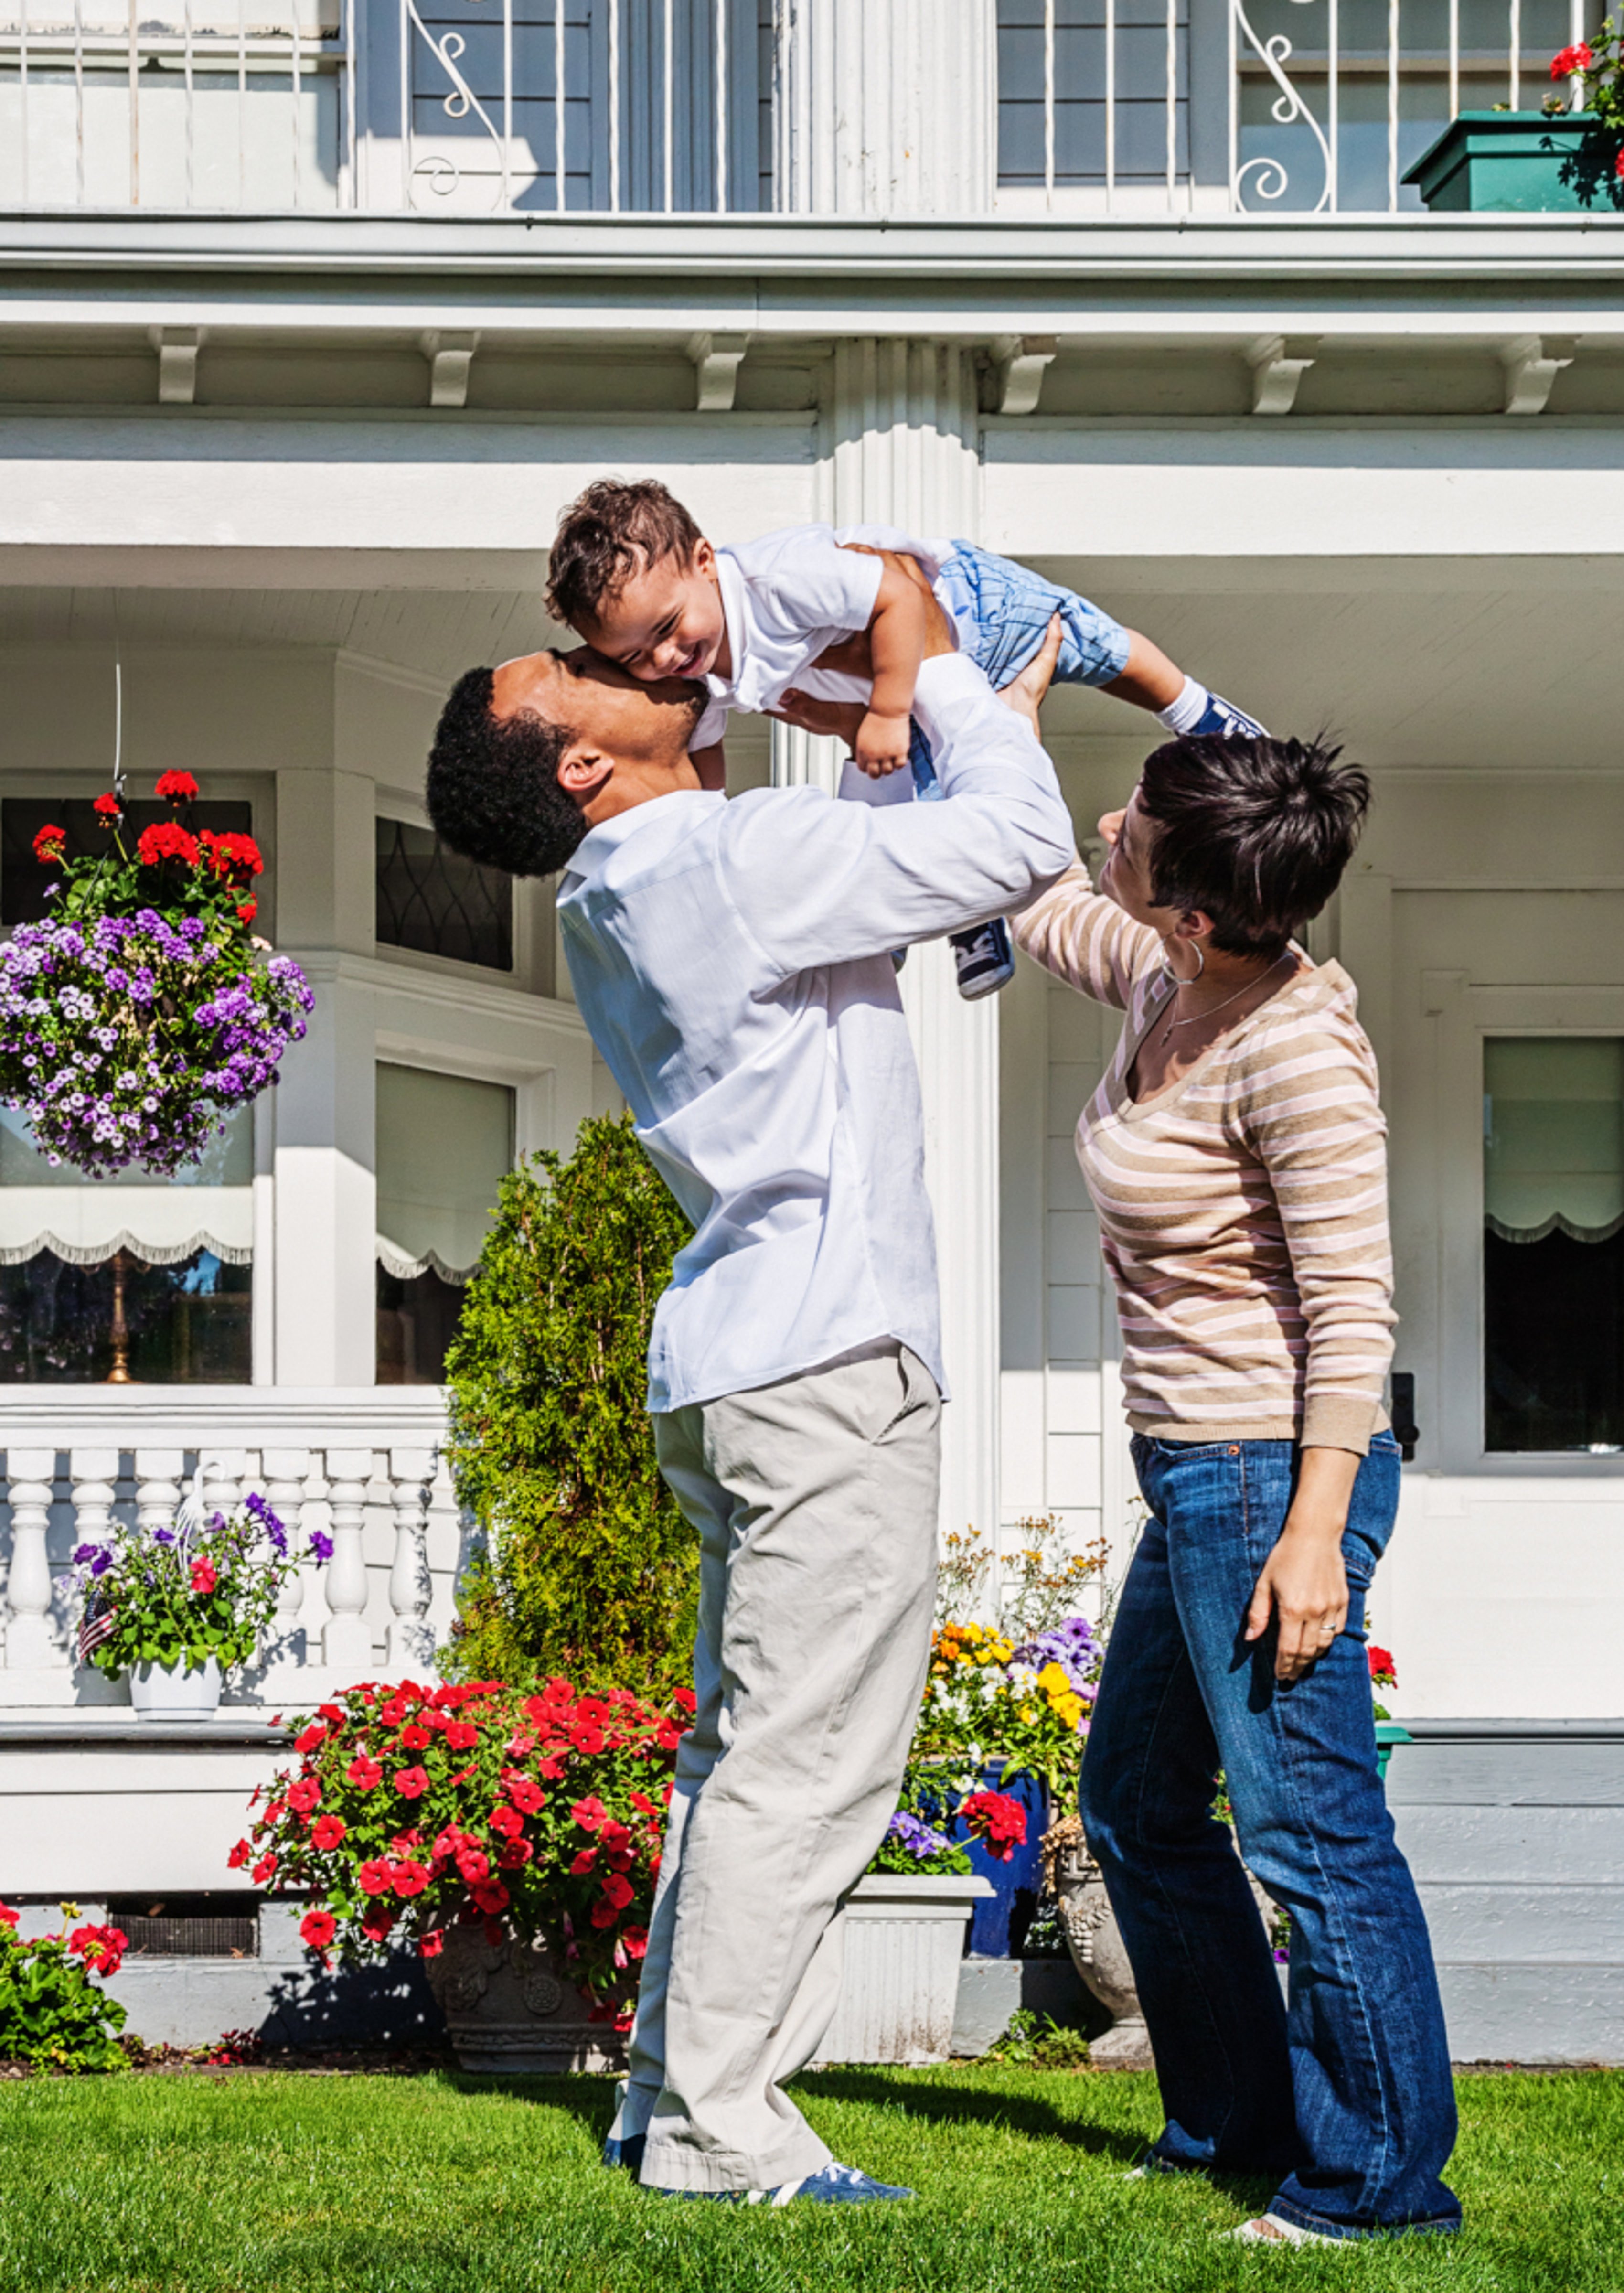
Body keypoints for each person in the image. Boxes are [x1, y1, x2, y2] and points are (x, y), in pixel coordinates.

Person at [421, 597, 1075, 2202]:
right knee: (809, 1765)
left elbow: (877, 864)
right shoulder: (722, 861)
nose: (626, 664)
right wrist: (961, 699)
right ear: (578, 757)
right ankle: (724, 2129)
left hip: (737, 1363)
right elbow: (1022, 839)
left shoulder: (641, 887)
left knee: (739, 1759)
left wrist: (915, 709)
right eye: (579, 670)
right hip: (823, 1365)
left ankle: (668, 2095)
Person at [1004, 670, 1461, 2246]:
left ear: (1198, 915)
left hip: (1276, 1476)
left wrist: (1318, 1534)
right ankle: (1234, 2121)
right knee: (1136, 1799)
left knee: (1312, 1837)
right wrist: (1006, 705)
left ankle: (1383, 2188)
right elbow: (1042, 897)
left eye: (1134, 823)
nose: (1110, 828)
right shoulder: (1168, 976)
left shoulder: (1295, 1053)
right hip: (1198, 1475)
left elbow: (1352, 1311)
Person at [540, 476, 1261, 1000]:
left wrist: (885, 712)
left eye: (668, 630)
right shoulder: (700, 667)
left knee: (1087, 642)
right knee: (898, 803)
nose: (665, 659)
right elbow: (703, 744)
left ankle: (1196, 711)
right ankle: (959, 916)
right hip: (897, 692)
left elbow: (895, 596)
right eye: (635, 656)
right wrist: (707, 822)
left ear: (703, 561)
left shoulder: (774, 579)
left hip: (961, 610)